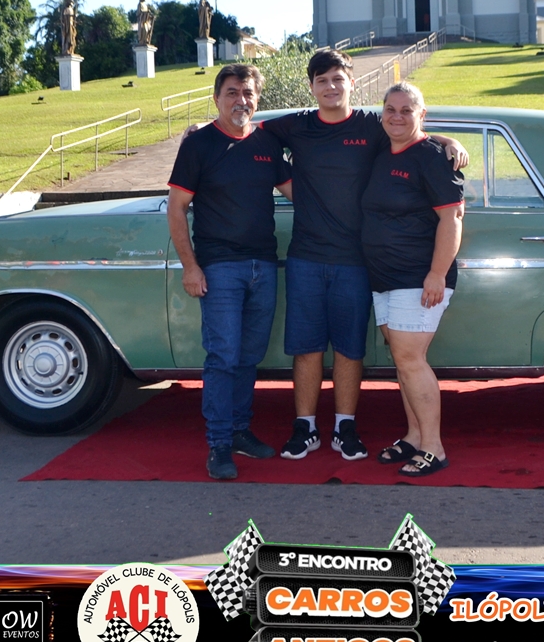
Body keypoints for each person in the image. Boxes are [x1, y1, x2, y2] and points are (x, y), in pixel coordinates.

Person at [260, 50, 467, 463]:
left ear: (352, 83)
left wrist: (449, 140)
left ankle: (347, 427)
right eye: (322, 80)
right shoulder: (297, 125)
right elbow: (246, 129)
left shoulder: (373, 125)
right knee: (307, 347)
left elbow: (412, 133)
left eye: (338, 78)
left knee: (354, 349)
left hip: (359, 262)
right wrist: (202, 129)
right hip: (310, 256)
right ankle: (306, 428)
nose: (331, 86)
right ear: (311, 86)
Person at [167, 64, 293, 481]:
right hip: (219, 268)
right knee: (222, 356)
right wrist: (191, 267)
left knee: (249, 356)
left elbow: (301, 191)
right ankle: (219, 445)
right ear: (217, 98)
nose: (241, 100)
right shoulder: (199, 144)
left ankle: (239, 431)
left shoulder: (267, 144)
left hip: (264, 265)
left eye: (248, 93)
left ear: (258, 99)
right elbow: (177, 208)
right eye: (233, 92)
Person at [361, 82, 464, 477]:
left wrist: (436, 274)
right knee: (402, 360)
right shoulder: (383, 150)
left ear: (422, 114)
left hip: (418, 277)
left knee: (410, 359)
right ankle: (414, 436)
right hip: (384, 276)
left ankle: (434, 448)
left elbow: (452, 218)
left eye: (407, 110)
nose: (397, 116)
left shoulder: (431, 157)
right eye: (391, 109)